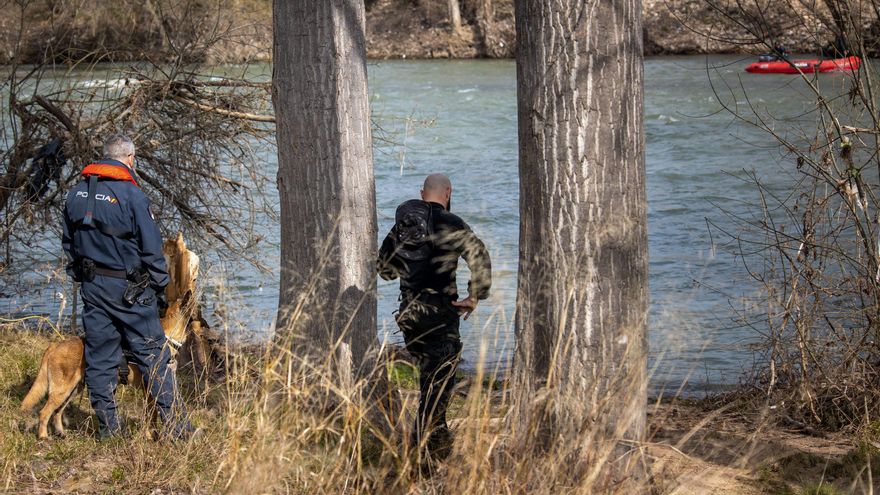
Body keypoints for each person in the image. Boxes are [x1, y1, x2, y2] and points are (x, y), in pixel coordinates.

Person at [62, 134, 194, 440]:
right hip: (130, 291)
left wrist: (81, 275)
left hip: (94, 287)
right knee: (154, 356)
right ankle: (179, 430)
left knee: (101, 357)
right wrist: (162, 287)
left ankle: (109, 431)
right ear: (131, 159)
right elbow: (150, 248)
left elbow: (69, 243)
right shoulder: (133, 196)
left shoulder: (76, 193)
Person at [378, 173, 491, 460]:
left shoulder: (403, 225)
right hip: (440, 313)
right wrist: (474, 296)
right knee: (439, 383)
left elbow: (385, 270)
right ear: (448, 193)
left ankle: (430, 445)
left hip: (409, 314)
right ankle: (429, 449)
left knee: (430, 379)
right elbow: (479, 256)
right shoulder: (452, 223)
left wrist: (411, 265)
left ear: (421, 192)